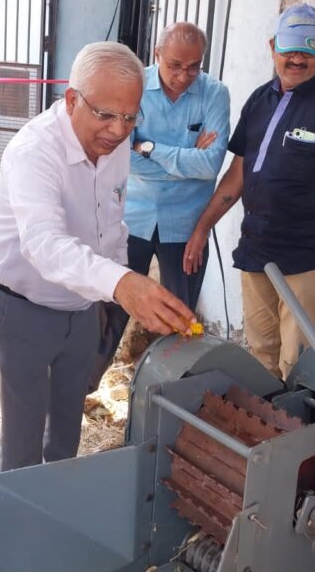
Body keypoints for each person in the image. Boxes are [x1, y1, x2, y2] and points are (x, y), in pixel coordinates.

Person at [0, 41, 197, 473]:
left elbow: (112, 225)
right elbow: (45, 244)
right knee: (21, 445)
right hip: (20, 308)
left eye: (130, 117)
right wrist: (121, 284)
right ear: (72, 100)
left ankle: (59, 512)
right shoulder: (35, 151)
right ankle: (15, 529)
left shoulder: (115, 149)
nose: (118, 131)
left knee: (64, 436)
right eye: (105, 115)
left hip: (80, 309)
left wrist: (118, 295)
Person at [184, 3, 315, 380]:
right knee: (260, 353)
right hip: (257, 248)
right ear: (272, 46)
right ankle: (265, 433)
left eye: (308, 50)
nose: (297, 58)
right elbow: (239, 171)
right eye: (289, 49)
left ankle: (297, 433)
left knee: (299, 358)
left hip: (308, 254)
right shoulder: (260, 100)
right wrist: (202, 227)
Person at [88, 23, 230, 393]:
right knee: (112, 305)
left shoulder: (215, 94)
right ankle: (85, 384)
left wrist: (148, 147)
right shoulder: (134, 88)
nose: (184, 76)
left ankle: (166, 393)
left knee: (180, 311)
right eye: (175, 65)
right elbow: (124, 157)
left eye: (194, 67)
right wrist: (185, 157)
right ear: (156, 56)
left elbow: (211, 166)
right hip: (130, 217)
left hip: (186, 226)